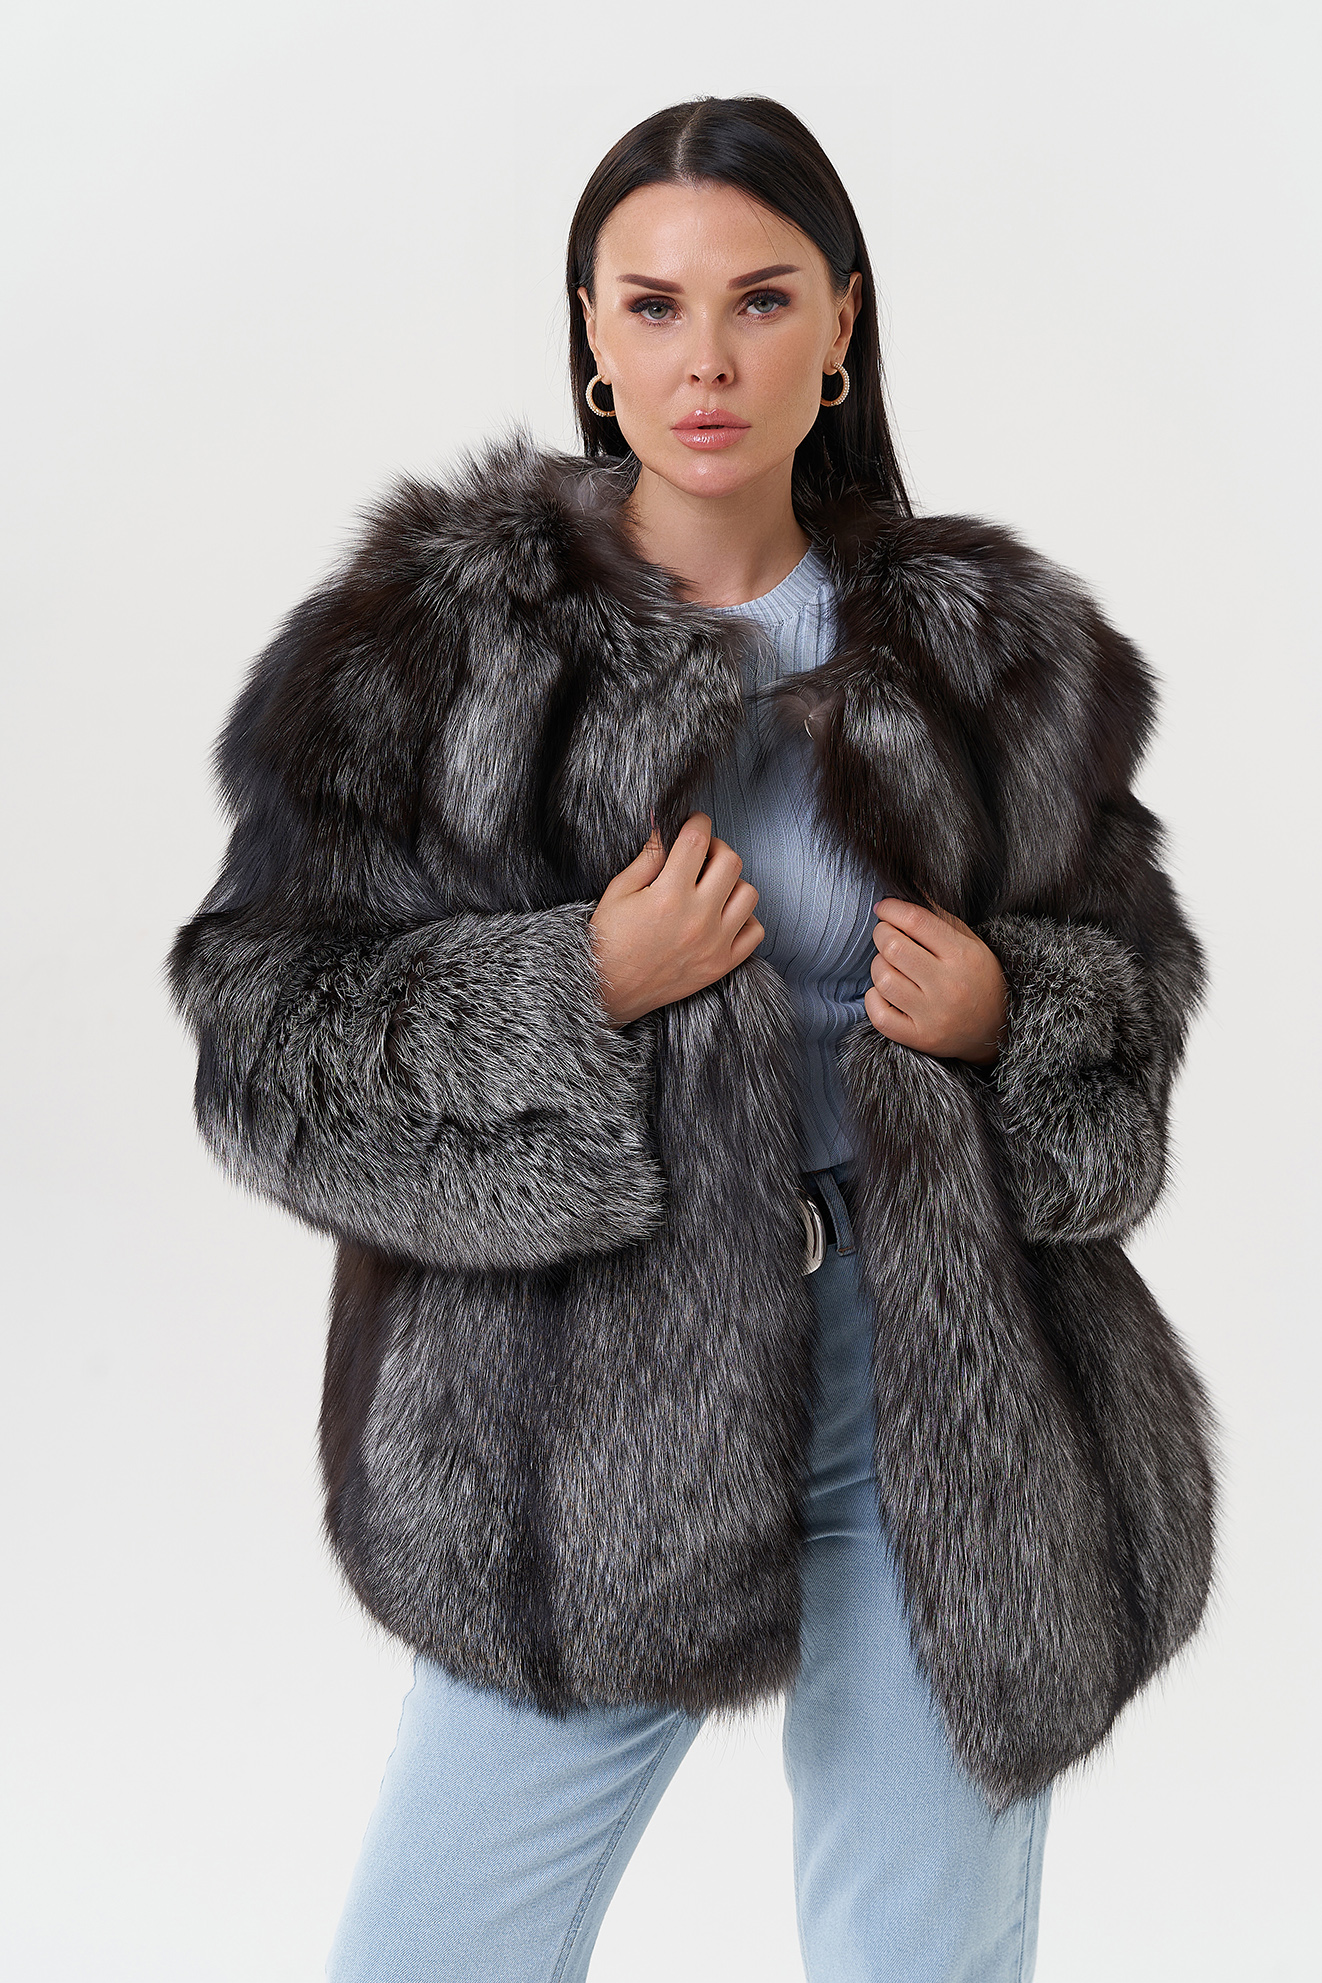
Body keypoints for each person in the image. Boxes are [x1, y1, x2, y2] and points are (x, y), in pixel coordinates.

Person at [168, 94, 1216, 1983]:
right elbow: (265, 1042)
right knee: (430, 1954)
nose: (705, 361)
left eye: (760, 300)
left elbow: (1126, 1053)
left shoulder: (996, 656)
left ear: (841, 323)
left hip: (946, 1391)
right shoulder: (437, 647)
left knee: (919, 1959)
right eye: (652, 305)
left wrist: (1008, 1014)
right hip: (574, 1412)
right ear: (590, 328)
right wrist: (569, 985)